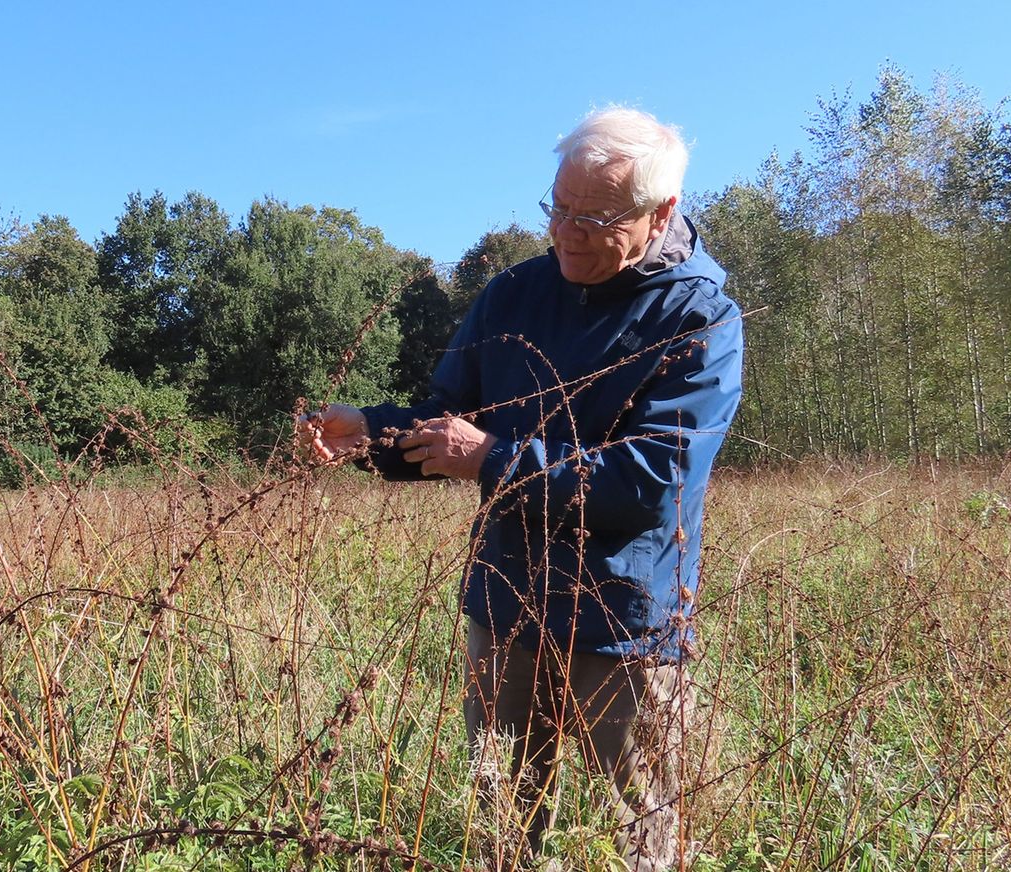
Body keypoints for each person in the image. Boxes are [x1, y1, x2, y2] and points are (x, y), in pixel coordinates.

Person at [298, 106, 742, 870]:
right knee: (501, 820)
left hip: (623, 621)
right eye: (556, 208)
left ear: (661, 212)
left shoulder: (699, 319)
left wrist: (495, 460)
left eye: (593, 217)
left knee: (641, 830)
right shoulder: (513, 295)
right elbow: (451, 422)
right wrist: (368, 431)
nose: (566, 232)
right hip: (504, 606)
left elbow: (651, 485)